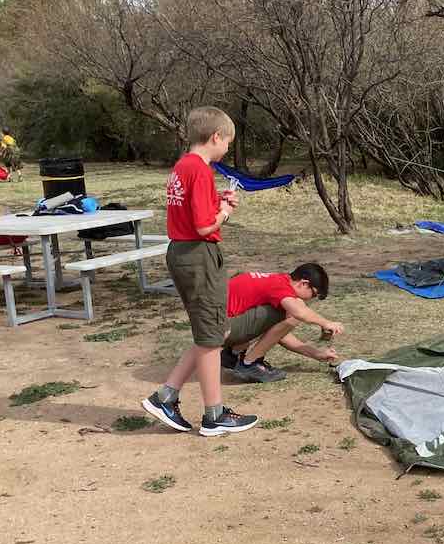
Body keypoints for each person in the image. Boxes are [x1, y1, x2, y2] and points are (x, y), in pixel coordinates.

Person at [141, 106, 258, 436]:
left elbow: (194, 211)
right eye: (227, 144)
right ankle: (214, 414)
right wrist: (225, 210)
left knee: (214, 331)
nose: (227, 151)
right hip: (198, 255)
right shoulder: (201, 170)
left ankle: (166, 396)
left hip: (181, 251)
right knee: (211, 336)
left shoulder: (183, 167)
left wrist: (215, 203)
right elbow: (205, 226)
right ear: (216, 137)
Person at [222, 263, 345, 382]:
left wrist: (317, 354)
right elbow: (299, 313)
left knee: (289, 311)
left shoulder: (278, 281)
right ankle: (249, 364)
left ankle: (233, 355)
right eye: (313, 294)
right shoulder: (280, 286)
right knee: (293, 311)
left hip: (216, 327)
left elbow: (278, 335)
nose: (310, 299)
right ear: (304, 283)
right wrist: (325, 322)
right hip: (219, 329)